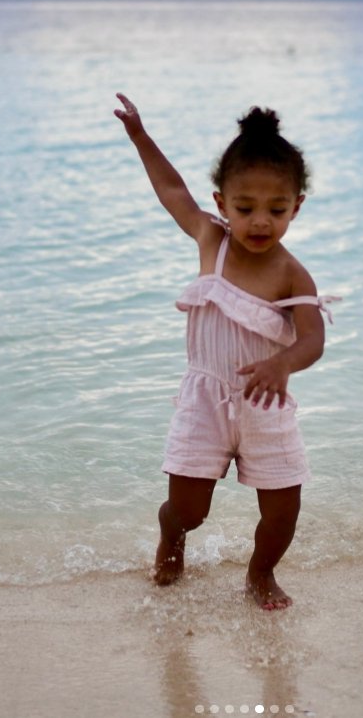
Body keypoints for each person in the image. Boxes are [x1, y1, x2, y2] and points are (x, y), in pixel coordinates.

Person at [114, 93, 336, 610]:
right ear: (221, 204)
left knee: (283, 511)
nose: (260, 222)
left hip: (267, 405)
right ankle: (172, 535)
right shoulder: (210, 241)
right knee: (189, 510)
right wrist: (140, 137)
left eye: (276, 210)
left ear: (296, 207)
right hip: (205, 401)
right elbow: (172, 191)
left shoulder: (292, 273)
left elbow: (313, 339)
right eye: (245, 208)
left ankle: (260, 574)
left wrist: (282, 362)